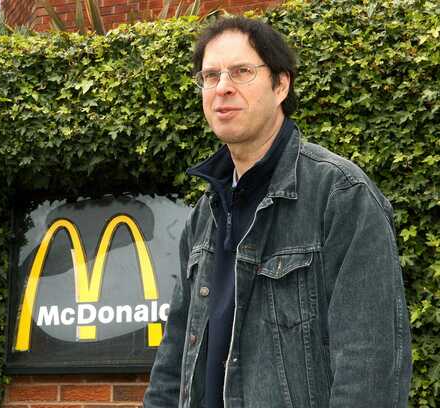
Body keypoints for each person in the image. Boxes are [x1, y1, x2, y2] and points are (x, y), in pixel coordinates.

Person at [144, 16, 411, 408]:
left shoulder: (340, 195)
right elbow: (174, 359)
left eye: (241, 71)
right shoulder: (204, 215)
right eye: (210, 75)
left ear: (281, 84)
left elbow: (370, 365)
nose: (223, 88)